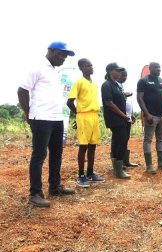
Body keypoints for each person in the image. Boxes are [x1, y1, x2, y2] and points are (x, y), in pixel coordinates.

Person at [17, 41, 76, 207]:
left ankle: (55, 186)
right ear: (50, 51)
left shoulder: (54, 72)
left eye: (66, 56)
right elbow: (22, 90)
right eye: (61, 54)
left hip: (56, 118)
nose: (64, 58)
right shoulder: (37, 67)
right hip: (41, 118)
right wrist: (28, 112)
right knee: (39, 155)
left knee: (57, 153)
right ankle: (35, 193)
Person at [67, 58, 105, 187]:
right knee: (83, 146)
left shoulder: (94, 84)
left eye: (92, 65)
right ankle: (81, 175)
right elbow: (69, 102)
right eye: (89, 65)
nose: (92, 67)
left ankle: (90, 173)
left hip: (94, 116)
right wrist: (78, 115)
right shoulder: (79, 82)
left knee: (93, 145)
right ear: (82, 68)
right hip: (83, 116)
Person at [137, 62, 162, 174]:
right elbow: (140, 98)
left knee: (161, 139)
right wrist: (147, 114)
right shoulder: (143, 81)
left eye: (159, 67)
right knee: (148, 140)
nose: (158, 69)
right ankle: (149, 165)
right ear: (150, 68)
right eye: (156, 67)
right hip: (151, 116)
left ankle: (161, 162)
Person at [101, 63, 131, 179]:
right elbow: (109, 103)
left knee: (119, 141)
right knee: (122, 141)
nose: (119, 73)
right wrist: (123, 115)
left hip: (120, 118)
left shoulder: (116, 85)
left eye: (120, 71)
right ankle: (118, 169)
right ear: (110, 71)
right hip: (115, 119)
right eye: (117, 70)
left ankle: (116, 168)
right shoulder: (106, 85)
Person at [117, 69, 139, 169]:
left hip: (128, 117)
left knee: (125, 140)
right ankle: (118, 163)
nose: (124, 78)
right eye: (122, 75)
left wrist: (132, 113)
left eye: (126, 76)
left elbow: (128, 102)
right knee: (119, 141)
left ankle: (125, 161)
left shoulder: (122, 86)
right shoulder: (115, 86)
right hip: (120, 118)